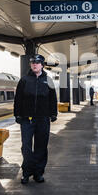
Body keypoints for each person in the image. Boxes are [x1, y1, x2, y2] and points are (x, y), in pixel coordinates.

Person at [13, 54, 58, 184]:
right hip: (27, 119)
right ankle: (26, 173)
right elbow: (18, 99)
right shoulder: (24, 80)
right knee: (26, 147)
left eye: (37, 62)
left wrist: (53, 113)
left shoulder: (48, 80)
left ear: (42, 65)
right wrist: (18, 114)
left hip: (43, 119)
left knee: (41, 147)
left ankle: (38, 173)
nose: (34, 64)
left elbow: (52, 99)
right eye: (32, 62)